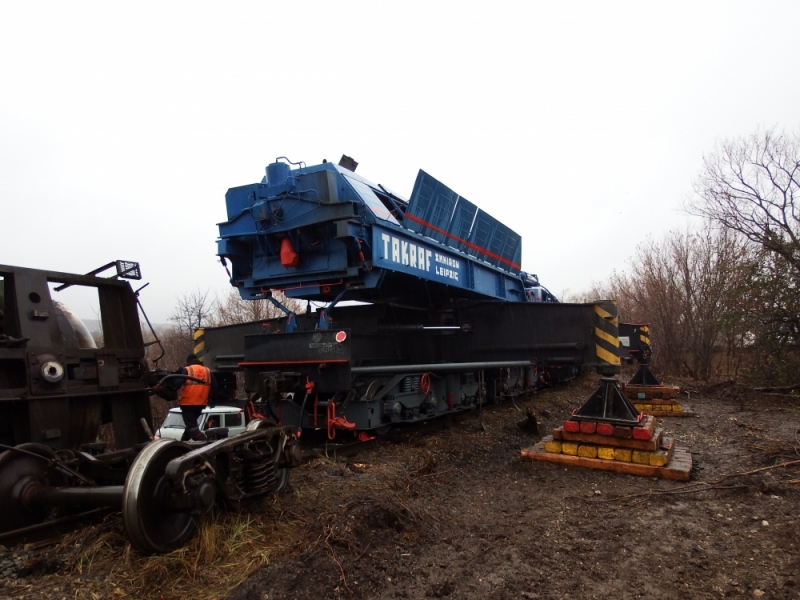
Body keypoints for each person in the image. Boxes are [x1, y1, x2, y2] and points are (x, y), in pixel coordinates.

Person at [177, 354, 215, 442]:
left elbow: (177, 384)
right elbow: (215, 386)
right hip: (201, 403)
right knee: (191, 425)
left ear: (188, 362)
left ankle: (203, 440)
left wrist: (169, 387)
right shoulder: (207, 371)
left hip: (187, 403)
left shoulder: (187, 369)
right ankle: (183, 441)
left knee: (192, 426)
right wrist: (212, 399)